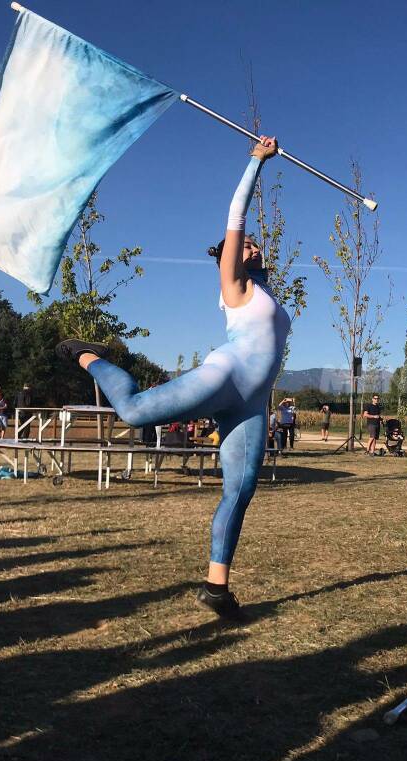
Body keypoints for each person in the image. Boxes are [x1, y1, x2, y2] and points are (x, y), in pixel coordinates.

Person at [55, 136, 290, 619]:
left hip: (252, 401)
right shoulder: (235, 286)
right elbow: (236, 215)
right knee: (134, 409)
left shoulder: (266, 289)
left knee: (240, 490)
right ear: (232, 256)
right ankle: (86, 356)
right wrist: (255, 163)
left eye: (251, 244)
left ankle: (216, 588)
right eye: (242, 245)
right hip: (224, 377)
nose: (251, 244)